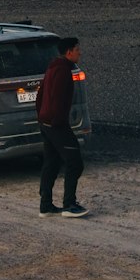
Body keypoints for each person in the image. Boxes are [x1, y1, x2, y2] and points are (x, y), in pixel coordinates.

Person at [36, 36, 89, 217]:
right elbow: (56, 98)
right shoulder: (63, 70)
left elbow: (40, 94)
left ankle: (46, 205)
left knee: (51, 162)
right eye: (77, 49)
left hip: (46, 122)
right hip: (55, 124)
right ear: (69, 52)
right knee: (75, 162)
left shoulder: (53, 66)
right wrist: (57, 121)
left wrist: (42, 118)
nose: (79, 52)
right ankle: (69, 205)